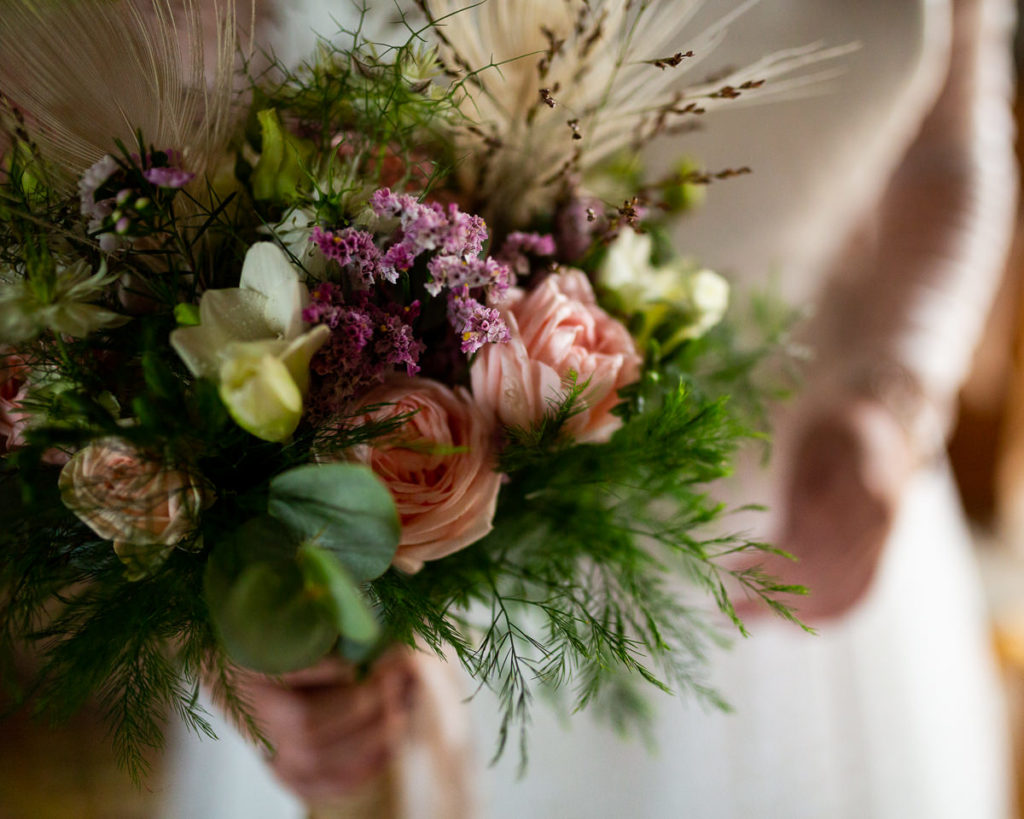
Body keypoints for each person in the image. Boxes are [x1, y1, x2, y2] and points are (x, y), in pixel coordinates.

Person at [161, 1, 1019, 817]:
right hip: (412, 557)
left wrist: (893, 398)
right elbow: (174, 178)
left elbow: (947, 149)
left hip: (799, 529)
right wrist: (216, 603)